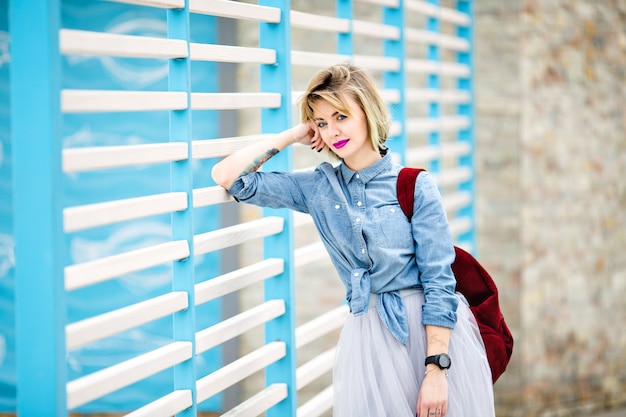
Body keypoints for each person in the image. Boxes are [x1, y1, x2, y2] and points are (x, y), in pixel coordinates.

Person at [211, 63, 494, 417]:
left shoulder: (414, 185)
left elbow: (439, 282)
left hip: (427, 337)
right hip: (369, 339)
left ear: (368, 112)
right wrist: (291, 136)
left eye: (341, 116)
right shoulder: (317, 188)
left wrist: (436, 369)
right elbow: (228, 177)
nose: (332, 131)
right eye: (322, 122)